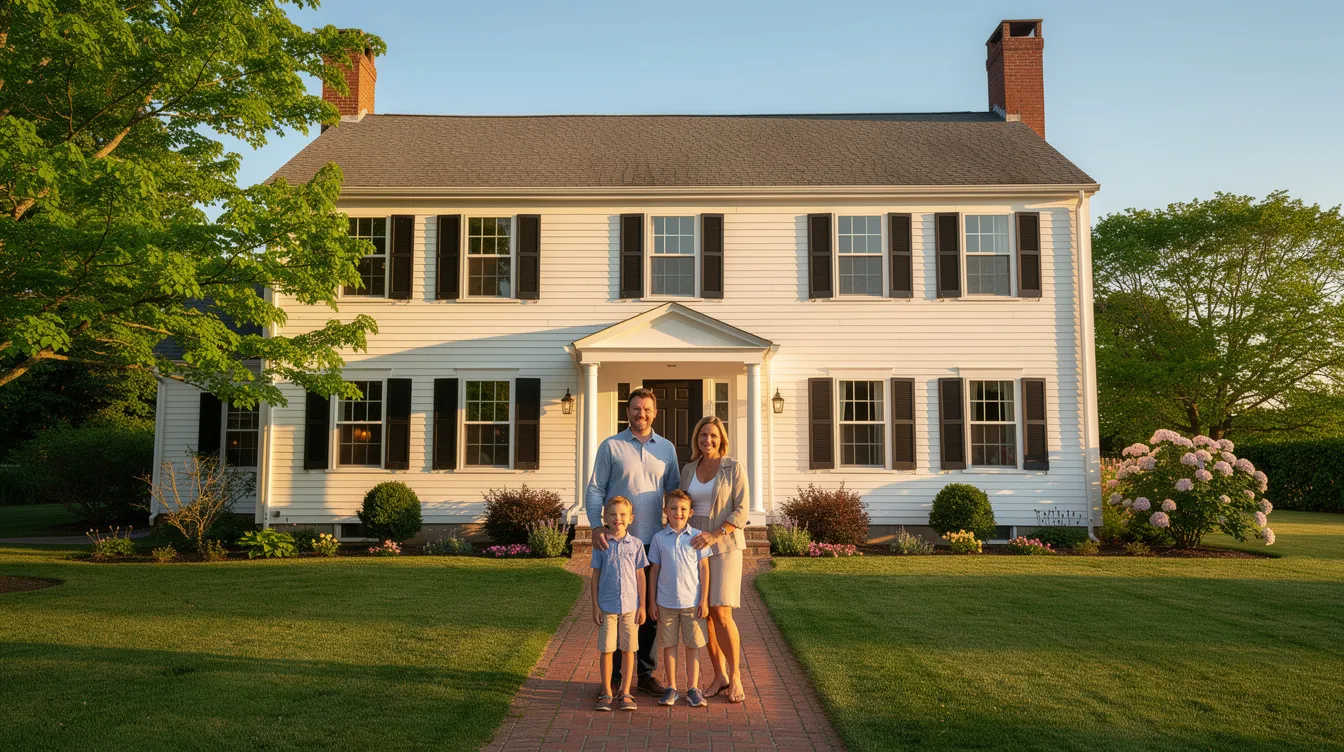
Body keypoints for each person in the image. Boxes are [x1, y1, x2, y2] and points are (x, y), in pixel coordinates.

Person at [584, 387, 680, 697]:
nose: (641, 414)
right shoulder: (610, 446)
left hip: (653, 541)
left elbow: (675, 493)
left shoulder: (666, 449)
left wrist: (675, 531)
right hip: (615, 541)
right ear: (627, 412)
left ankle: (645, 674)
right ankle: (612, 677)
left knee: (648, 610)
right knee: (614, 605)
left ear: (655, 413)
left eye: (647, 409)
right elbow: (596, 489)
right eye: (636, 408)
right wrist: (596, 525)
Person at [681, 415, 749, 703]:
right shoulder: (688, 469)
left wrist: (715, 534)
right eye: (702, 435)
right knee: (704, 613)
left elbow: (742, 510)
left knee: (722, 612)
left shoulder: (733, 467)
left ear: (722, 439)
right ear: (696, 438)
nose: (707, 440)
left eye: (713, 435)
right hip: (693, 545)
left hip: (725, 544)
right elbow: (681, 503)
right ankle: (719, 675)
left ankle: (735, 677)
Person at [647, 489, 713, 708]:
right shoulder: (658, 538)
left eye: (683, 509)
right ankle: (672, 687)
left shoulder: (697, 537)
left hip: (692, 603)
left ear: (691, 512)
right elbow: (654, 571)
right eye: (673, 508)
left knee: (693, 645)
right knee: (669, 645)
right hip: (665, 603)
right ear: (665, 511)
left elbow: (704, 569)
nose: (678, 513)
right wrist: (651, 601)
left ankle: (693, 688)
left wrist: (704, 600)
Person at [590, 496, 648, 712]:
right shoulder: (601, 544)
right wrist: (595, 606)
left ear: (631, 518)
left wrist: (642, 605)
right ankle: (606, 690)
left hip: (631, 608)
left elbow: (641, 576)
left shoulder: (636, 545)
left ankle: (625, 691)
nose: (618, 518)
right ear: (605, 517)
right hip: (607, 606)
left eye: (623, 514)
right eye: (613, 514)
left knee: (629, 649)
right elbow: (595, 575)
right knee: (606, 649)